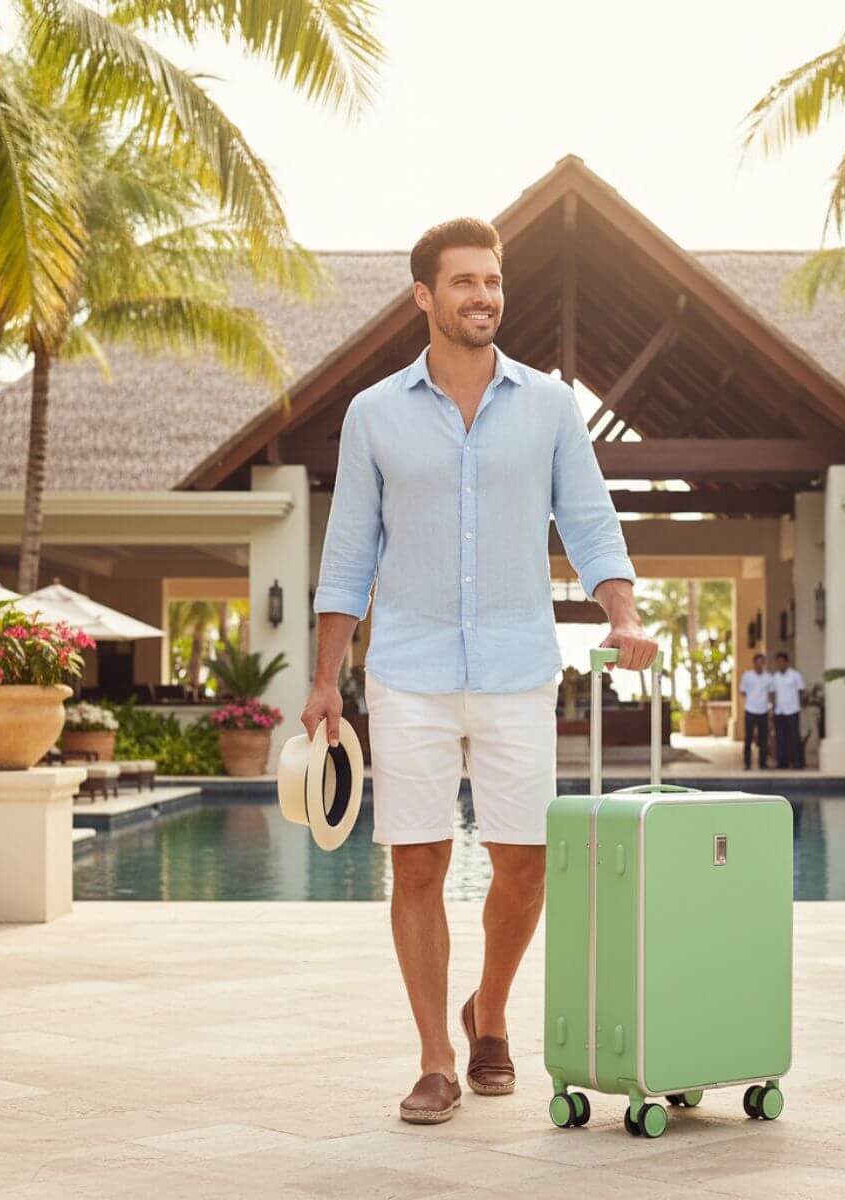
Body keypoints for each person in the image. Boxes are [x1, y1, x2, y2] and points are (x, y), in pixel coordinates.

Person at [302, 218, 659, 1126]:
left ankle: (488, 1011)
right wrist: (323, 682)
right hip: (409, 669)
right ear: (424, 296)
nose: (482, 297)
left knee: (528, 864)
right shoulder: (374, 414)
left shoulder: (547, 407)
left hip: (515, 666)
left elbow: (590, 522)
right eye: (463, 283)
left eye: (492, 282)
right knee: (417, 865)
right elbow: (349, 554)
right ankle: (434, 1058)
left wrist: (622, 613)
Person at [738, 652, 773, 770]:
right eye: (757, 662)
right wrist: (752, 697)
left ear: (764, 663)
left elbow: (771, 692)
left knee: (763, 738)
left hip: (763, 711)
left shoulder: (768, 677)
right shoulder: (747, 676)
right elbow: (742, 691)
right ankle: (747, 763)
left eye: (761, 662)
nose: (759, 665)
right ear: (754, 663)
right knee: (748, 738)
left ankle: (762, 763)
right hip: (750, 710)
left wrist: (770, 706)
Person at [771, 652, 806, 769]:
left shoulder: (795, 675)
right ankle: (782, 762)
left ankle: (798, 762)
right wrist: (773, 707)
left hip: (792, 710)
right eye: (778, 662)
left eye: (782, 662)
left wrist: (799, 706)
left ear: (786, 662)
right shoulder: (775, 677)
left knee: (794, 737)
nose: (780, 664)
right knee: (780, 737)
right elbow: (773, 693)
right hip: (779, 711)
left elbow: (801, 690)